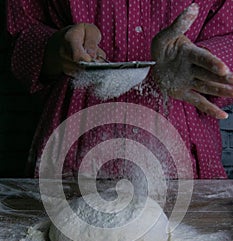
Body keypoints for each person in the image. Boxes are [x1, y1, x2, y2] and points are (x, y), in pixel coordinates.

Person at [7, 0, 233, 179]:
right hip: (72, 145)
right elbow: (20, 36)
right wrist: (59, 48)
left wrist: (197, 63)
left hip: (182, 146)